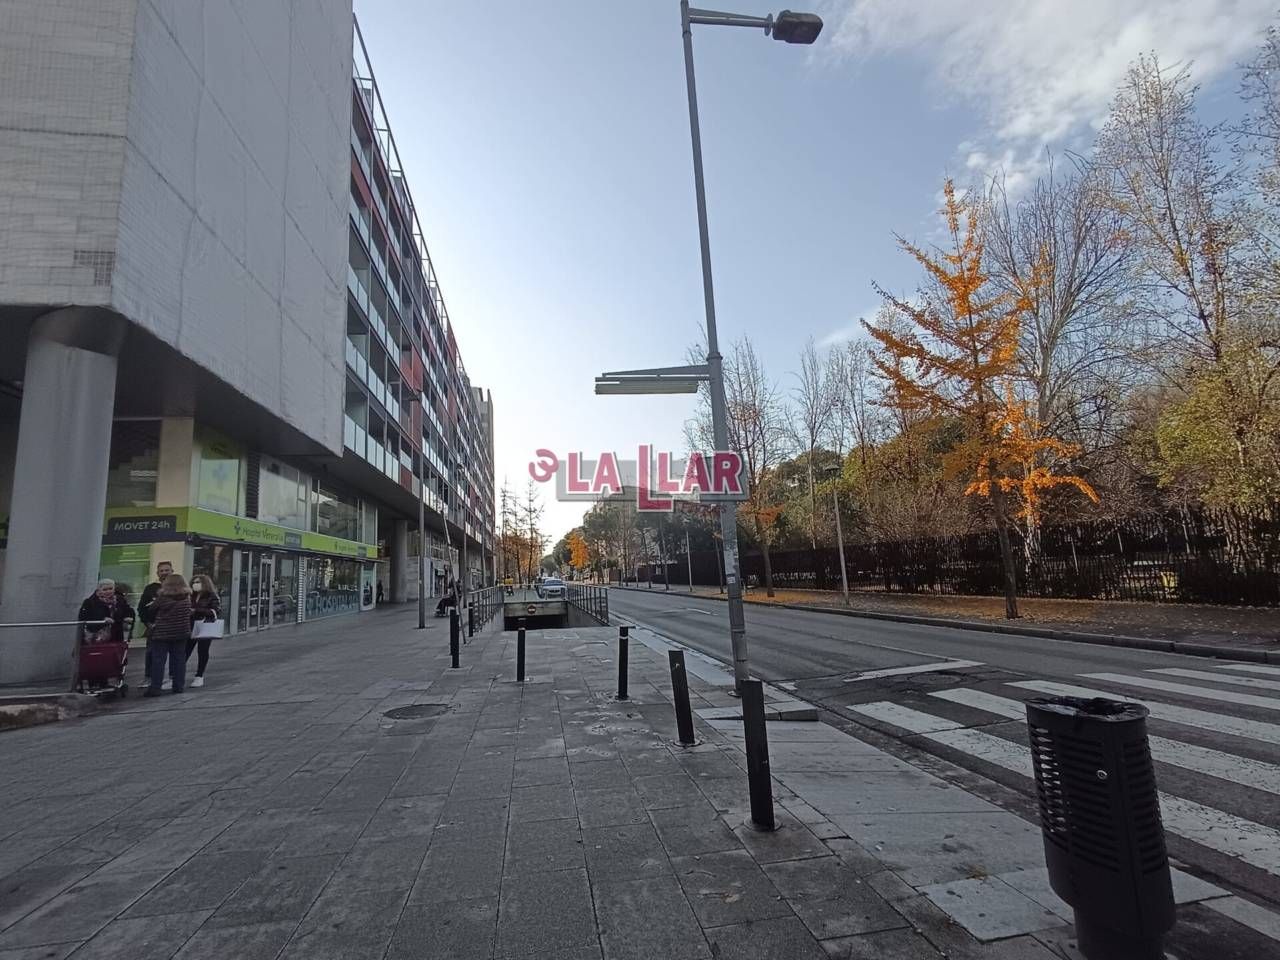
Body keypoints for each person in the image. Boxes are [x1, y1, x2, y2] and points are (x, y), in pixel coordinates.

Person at [145, 573, 191, 697]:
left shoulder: (162, 598)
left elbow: (151, 611)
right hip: (181, 633)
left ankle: (155, 688)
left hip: (162, 633)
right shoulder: (186, 597)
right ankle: (178, 686)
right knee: (179, 660)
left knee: (158, 660)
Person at [138, 560, 174, 687]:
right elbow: (142, 608)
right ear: (157, 573)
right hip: (154, 627)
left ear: (172, 571)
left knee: (174, 653)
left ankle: (171, 677)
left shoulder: (178, 587)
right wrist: (147, 623)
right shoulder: (150, 589)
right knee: (151, 653)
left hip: (173, 627)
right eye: (162, 571)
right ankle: (149, 677)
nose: (164, 573)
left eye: (167, 570)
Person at [186, 575, 221, 689]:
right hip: (190, 627)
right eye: (194, 582)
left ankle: (199, 676)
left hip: (204, 626)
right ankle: (175, 675)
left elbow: (215, 611)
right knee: (184, 652)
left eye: (198, 582)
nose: (195, 584)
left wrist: (196, 611)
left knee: (203, 651)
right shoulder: (190, 596)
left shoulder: (211, 596)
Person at [76, 579, 135, 644]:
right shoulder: (90, 602)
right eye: (105, 589)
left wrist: (128, 617)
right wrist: (102, 619)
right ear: (99, 590)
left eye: (110, 588)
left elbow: (128, 610)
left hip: (116, 635)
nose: (108, 591)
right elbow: (84, 618)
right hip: (96, 637)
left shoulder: (120, 599)